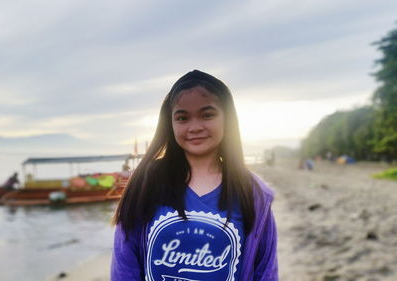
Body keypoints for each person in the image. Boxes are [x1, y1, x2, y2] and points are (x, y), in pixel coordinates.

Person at [110, 70, 278, 281]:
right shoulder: (146, 182)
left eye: (207, 115)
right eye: (182, 118)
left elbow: (265, 271)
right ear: (169, 124)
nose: (195, 127)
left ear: (227, 118)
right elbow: (124, 265)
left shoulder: (253, 193)